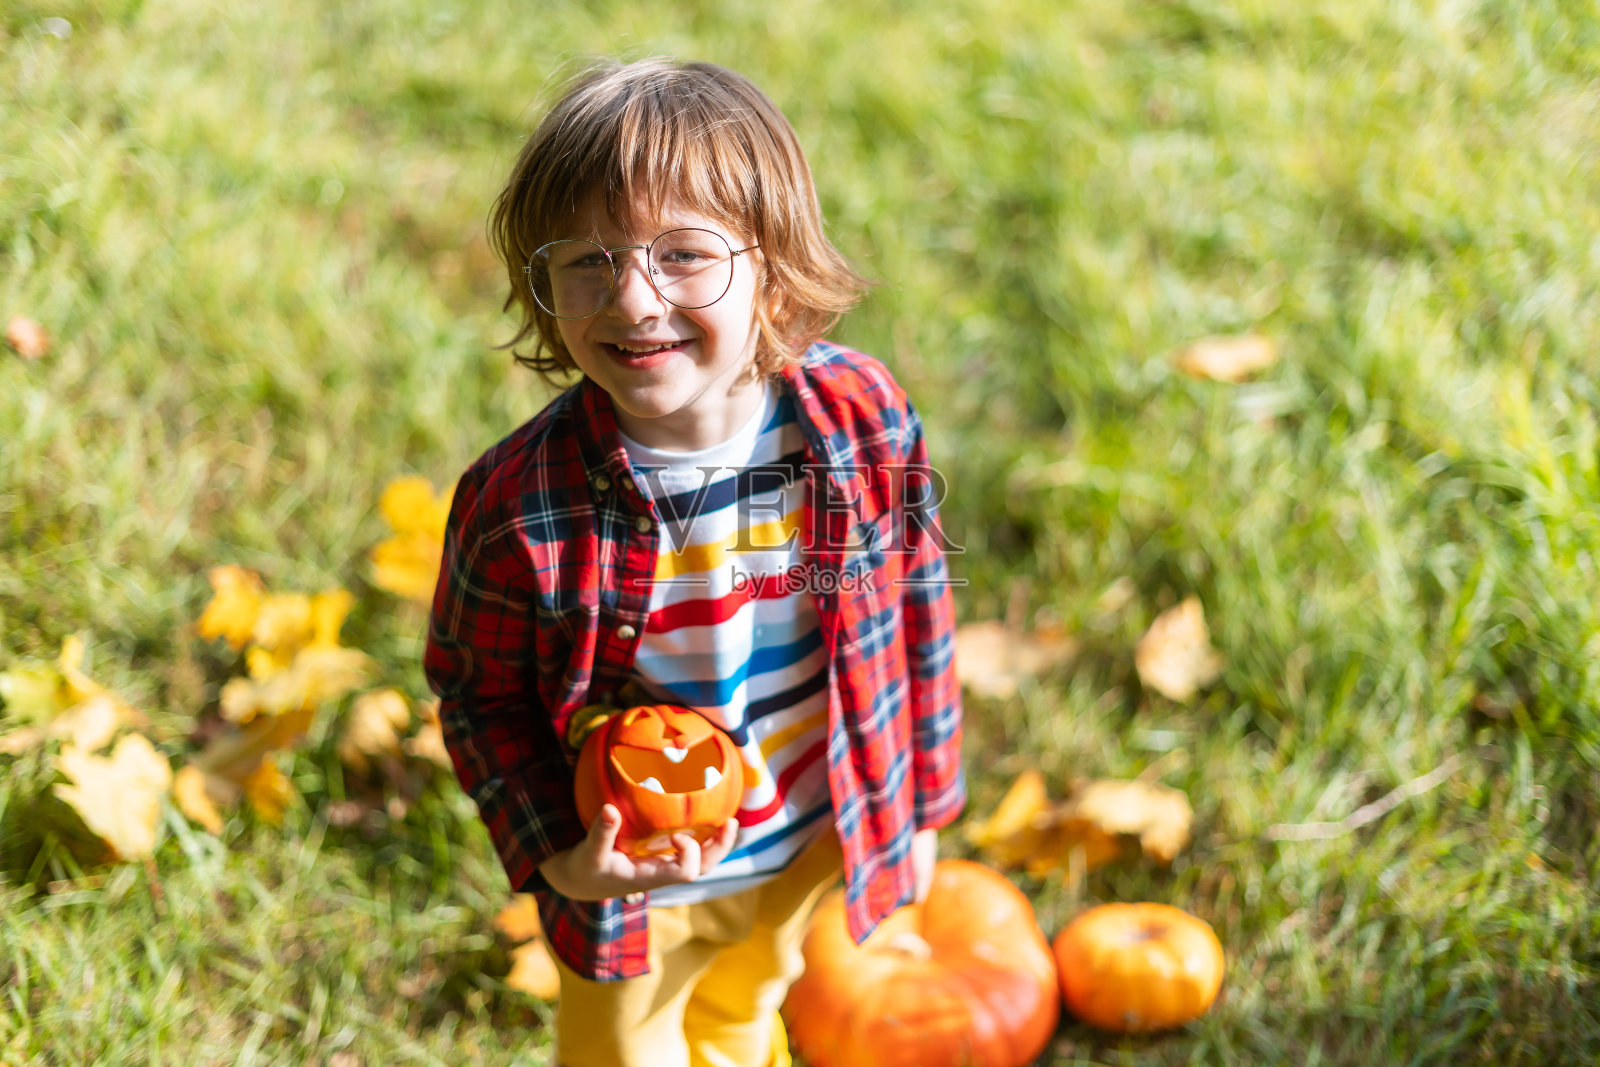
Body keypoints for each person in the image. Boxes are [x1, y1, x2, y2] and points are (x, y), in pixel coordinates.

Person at [424, 57, 964, 1067]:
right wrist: (560, 856)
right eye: (587, 261)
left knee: (746, 1004)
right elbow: (477, 693)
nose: (632, 299)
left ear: (772, 260)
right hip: (636, 878)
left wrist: (920, 799)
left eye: (682, 255)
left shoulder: (859, 419)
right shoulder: (520, 507)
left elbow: (916, 608)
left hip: (812, 823)